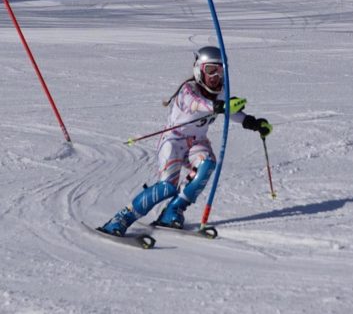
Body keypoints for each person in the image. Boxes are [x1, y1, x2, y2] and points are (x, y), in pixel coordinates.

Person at [100, 46, 272, 236]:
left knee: (208, 164)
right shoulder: (187, 90)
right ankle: (121, 218)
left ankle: (173, 210)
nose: (215, 75)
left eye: (220, 70)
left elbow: (233, 112)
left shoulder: (220, 92)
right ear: (199, 69)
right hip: (173, 141)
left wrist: (252, 122)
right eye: (210, 70)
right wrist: (219, 106)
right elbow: (198, 104)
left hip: (196, 142)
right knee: (167, 187)